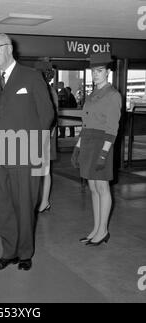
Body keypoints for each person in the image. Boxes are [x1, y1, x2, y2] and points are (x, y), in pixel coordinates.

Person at [0, 33, 54, 271]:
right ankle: (8, 252)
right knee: (3, 207)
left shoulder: (31, 77)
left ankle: (25, 253)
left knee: (25, 205)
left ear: (9, 48)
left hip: (25, 155)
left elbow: (47, 115)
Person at [71, 52, 121, 246]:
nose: (96, 74)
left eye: (100, 71)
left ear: (108, 72)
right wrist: (77, 147)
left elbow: (112, 128)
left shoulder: (113, 95)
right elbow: (86, 125)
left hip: (102, 144)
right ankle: (96, 228)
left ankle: (104, 230)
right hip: (88, 143)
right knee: (93, 187)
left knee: (102, 187)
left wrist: (104, 153)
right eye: (93, 71)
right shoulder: (92, 95)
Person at [35, 61, 58, 213]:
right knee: (39, 170)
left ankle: (44, 201)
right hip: (38, 134)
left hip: (44, 134)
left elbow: (52, 116)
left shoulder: (49, 91)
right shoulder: (44, 90)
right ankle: (42, 201)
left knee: (44, 170)